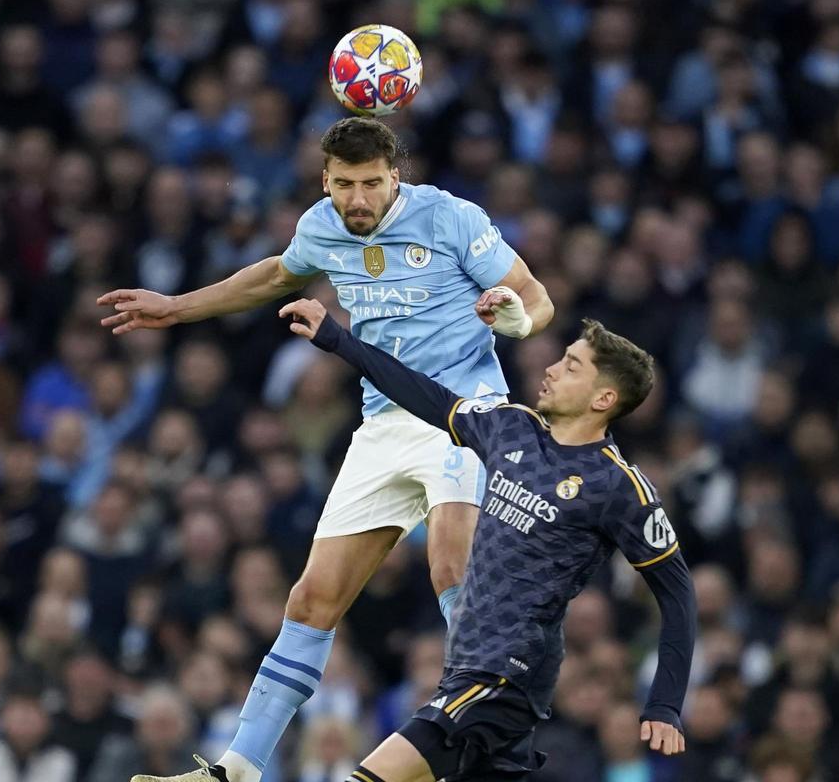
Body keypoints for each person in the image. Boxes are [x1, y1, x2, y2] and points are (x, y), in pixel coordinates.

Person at [100, 116, 553, 782]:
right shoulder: (322, 225)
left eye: (372, 183)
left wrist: (514, 317)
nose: (359, 199)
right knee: (312, 600)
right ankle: (239, 769)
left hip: (464, 415)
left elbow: (536, 298)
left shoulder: (450, 218)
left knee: (452, 566)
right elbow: (273, 277)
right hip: (381, 427)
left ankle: (486, 741)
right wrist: (174, 308)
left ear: (394, 176)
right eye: (345, 184)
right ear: (326, 180)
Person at [184, 297, 691, 782]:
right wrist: (338, 340)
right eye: (561, 359)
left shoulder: (620, 487)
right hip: (468, 668)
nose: (552, 370)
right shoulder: (511, 429)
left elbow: (677, 594)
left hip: (504, 677)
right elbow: (424, 395)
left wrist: (664, 703)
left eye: (572, 367)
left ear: (604, 399)